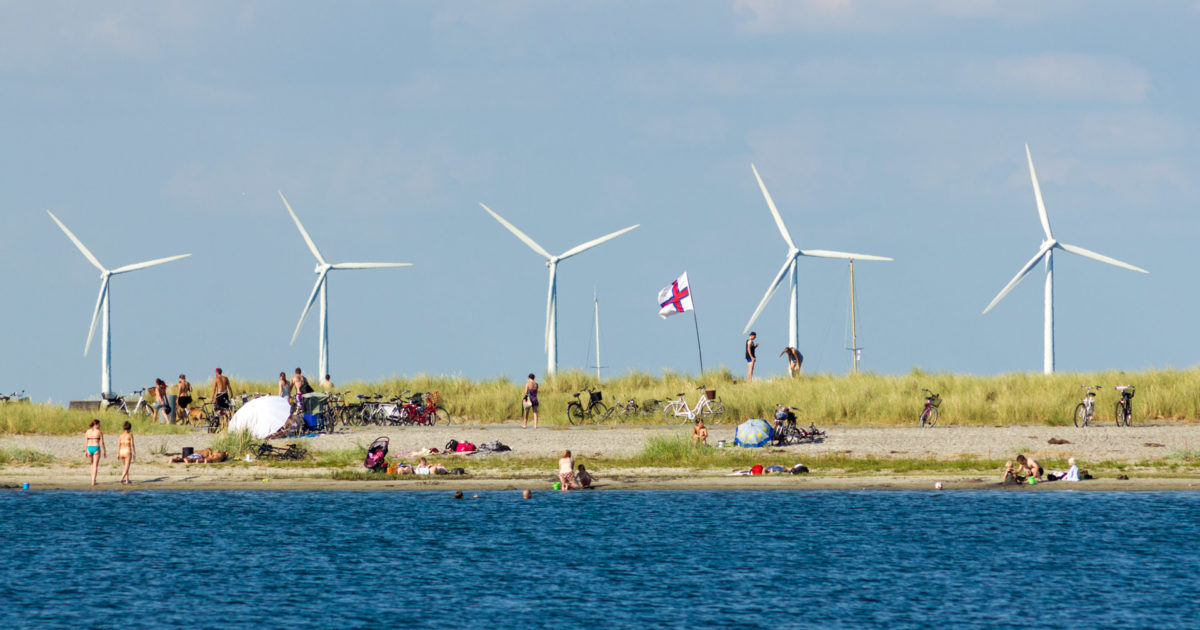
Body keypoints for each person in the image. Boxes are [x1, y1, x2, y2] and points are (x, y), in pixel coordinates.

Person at [84, 419, 106, 486]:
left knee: (91, 464)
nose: (99, 426)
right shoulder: (99, 432)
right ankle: (93, 481)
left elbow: (86, 442)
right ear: (95, 424)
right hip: (96, 447)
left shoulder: (87, 431)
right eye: (99, 424)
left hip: (89, 448)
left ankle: (92, 480)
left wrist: (86, 450)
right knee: (95, 465)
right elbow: (102, 442)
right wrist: (105, 451)